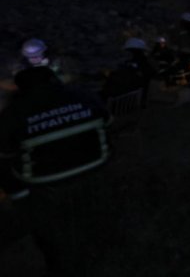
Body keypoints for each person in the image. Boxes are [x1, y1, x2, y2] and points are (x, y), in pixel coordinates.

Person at [0, 61, 111, 276]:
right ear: (53, 79)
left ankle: (19, 197)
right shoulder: (82, 96)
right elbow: (106, 119)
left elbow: (4, 148)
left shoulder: (14, 112)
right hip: (96, 161)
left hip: (45, 179)